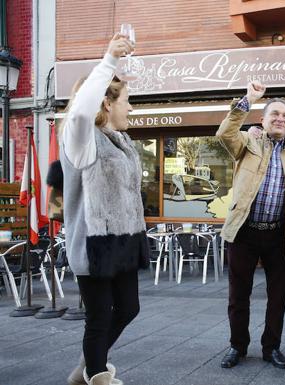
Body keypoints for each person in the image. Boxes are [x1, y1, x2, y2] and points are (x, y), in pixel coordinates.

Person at [61, 34, 149, 385]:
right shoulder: (82, 139)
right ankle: (96, 374)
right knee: (98, 318)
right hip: (93, 244)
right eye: (126, 101)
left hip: (124, 240)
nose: (130, 107)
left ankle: (87, 366)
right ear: (107, 103)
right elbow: (81, 110)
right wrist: (110, 60)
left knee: (129, 308)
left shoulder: (123, 142)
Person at [216, 81, 285, 370]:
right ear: (263, 120)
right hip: (244, 231)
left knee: (278, 297)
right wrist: (248, 99)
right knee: (238, 295)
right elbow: (224, 133)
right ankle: (237, 346)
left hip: (279, 234)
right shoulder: (248, 140)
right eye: (274, 114)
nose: (280, 119)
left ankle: (272, 348)